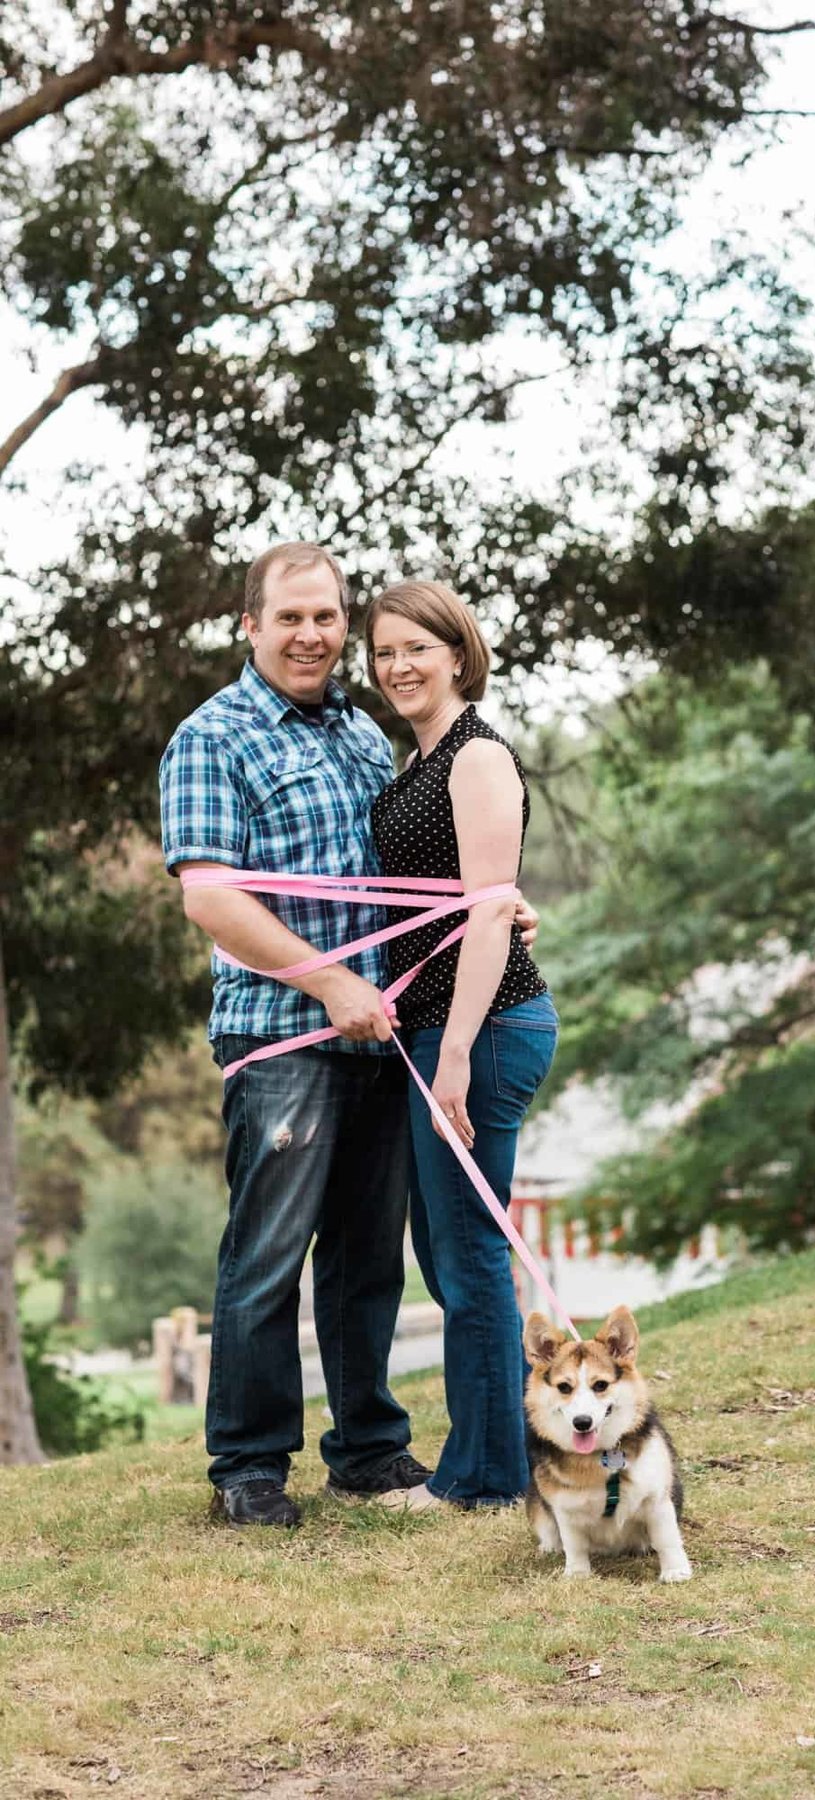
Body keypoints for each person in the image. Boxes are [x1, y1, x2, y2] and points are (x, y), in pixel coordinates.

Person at [159, 542, 537, 1528]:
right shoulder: (214, 737)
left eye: (327, 617)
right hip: (282, 1037)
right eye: (291, 618)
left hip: (382, 1035)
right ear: (251, 625)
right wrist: (327, 983)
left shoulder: (365, 738)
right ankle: (248, 1467)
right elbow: (209, 896)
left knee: (368, 1258)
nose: (313, 635)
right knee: (267, 1256)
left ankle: (367, 1448)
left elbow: (424, 871)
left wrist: (497, 908)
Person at [367, 580, 558, 1511]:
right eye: (384, 653)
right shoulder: (421, 758)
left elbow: (487, 914)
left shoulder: (477, 756)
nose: (398, 667)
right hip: (444, 1027)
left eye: (416, 648)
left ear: (456, 651)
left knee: (472, 1253)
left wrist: (453, 1059)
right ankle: (500, 1461)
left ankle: (483, 1479)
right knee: (450, 1255)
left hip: (475, 1031)